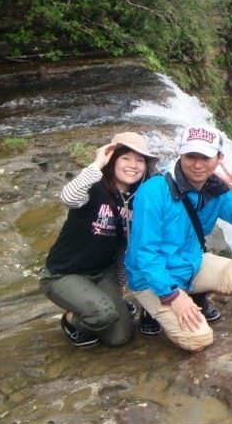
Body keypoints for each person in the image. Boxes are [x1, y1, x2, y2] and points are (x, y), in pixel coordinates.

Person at [124, 124, 232, 352]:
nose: (198, 165)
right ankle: (152, 308)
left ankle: (192, 296)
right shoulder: (155, 191)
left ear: (219, 158)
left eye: (205, 157)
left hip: (190, 263)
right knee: (198, 340)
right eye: (191, 156)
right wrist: (172, 296)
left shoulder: (217, 190)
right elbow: (145, 253)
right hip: (151, 277)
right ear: (180, 154)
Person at [40, 132, 160, 347]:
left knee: (121, 336)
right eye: (126, 158)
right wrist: (97, 163)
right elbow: (68, 197)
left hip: (103, 273)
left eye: (140, 160)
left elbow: (124, 245)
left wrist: (121, 285)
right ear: (112, 160)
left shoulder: (138, 199)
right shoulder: (94, 187)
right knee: (102, 315)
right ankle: (71, 320)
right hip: (64, 273)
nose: (133, 165)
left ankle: (106, 305)